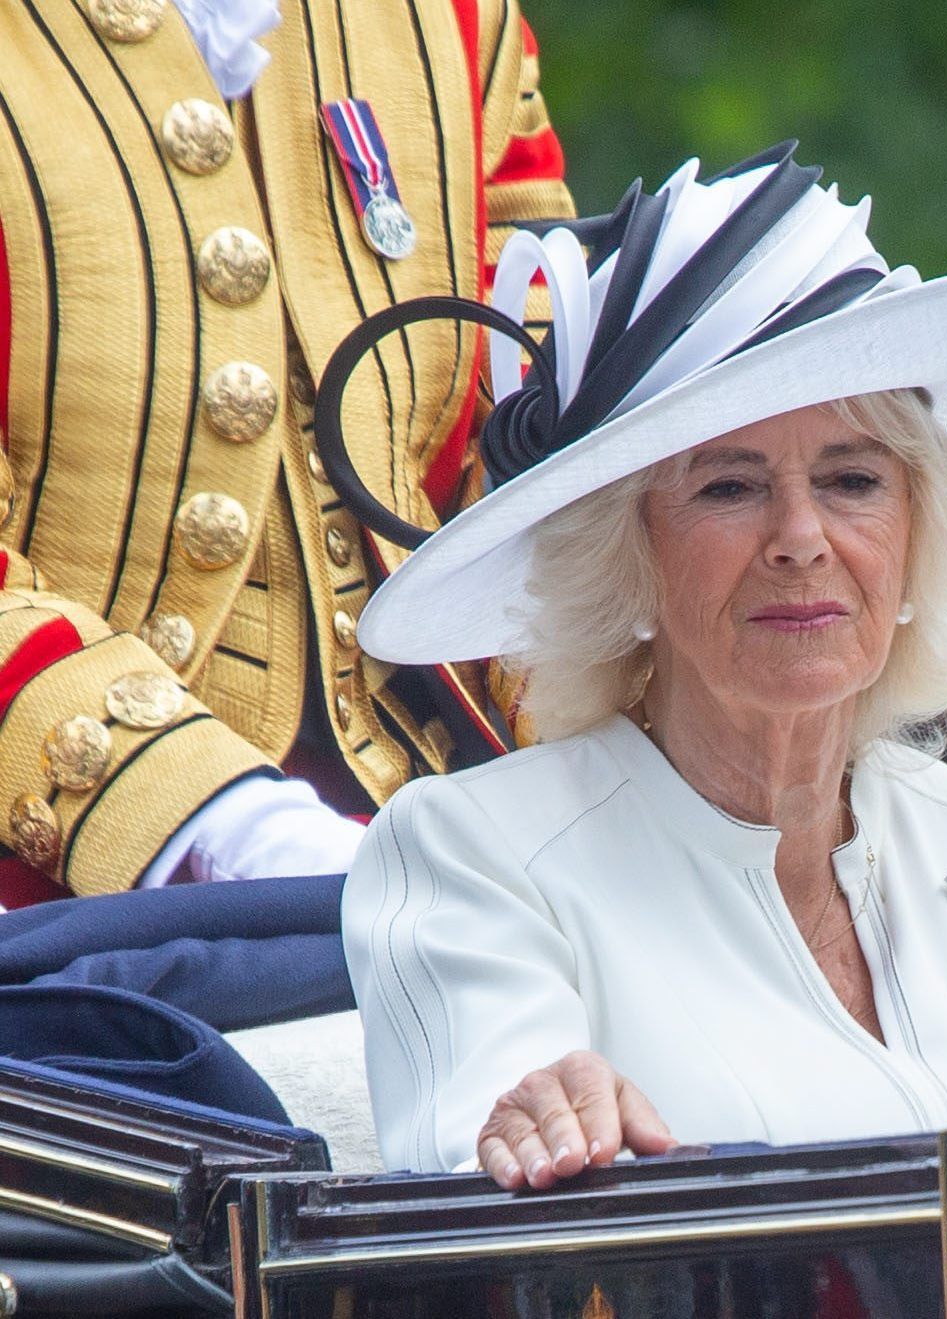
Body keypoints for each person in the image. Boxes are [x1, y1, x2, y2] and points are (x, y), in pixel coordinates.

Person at [338, 145, 947, 1181]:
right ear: (628, 556)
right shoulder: (477, 853)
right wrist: (535, 1128)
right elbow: (488, 1169)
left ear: (917, 533)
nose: (801, 538)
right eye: (729, 487)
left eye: (853, 480)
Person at [0, 0, 573, 906]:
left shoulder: (462, 18)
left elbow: (534, 393)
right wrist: (225, 824)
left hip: (466, 809)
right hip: (59, 891)